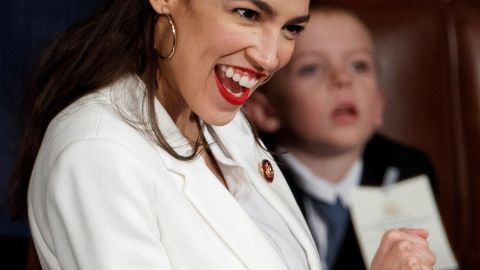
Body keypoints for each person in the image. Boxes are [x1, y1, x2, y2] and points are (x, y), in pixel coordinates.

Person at [8, 0, 435, 269]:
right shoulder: (98, 153)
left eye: (291, 29)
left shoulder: (220, 124)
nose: (270, 58)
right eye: (248, 14)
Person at [244, 4, 437, 270]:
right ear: (266, 111)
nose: (342, 79)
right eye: (311, 68)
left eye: (359, 65)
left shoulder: (408, 169)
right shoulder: (252, 182)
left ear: (379, 104)